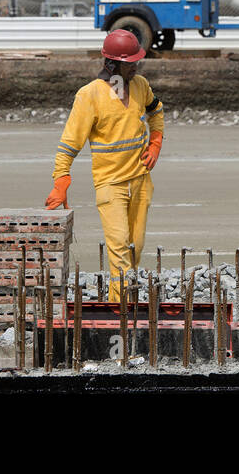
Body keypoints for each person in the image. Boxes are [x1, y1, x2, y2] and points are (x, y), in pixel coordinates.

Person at [46, 29, 164, 302]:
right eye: (130, 62)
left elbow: (156, 111)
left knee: (135, 247)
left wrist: (156, 142)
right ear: (113, 64)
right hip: (110, 184)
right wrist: (61, 180)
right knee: (120, 245)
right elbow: (69, 143)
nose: (136, 65)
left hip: (141, 181)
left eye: (137, 60)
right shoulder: (89, 96)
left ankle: (127, 300)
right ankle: (119, 308)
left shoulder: (140, 85)